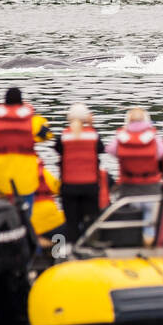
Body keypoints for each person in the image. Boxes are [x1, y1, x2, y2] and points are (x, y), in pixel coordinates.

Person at [0, 87, 52, 220]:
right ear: (22, 102)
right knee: (27, 211)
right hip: (25, 181)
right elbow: (47, 135)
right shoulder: (35, 122)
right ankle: (26, 229)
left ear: (4, 103)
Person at [104, 107, 163, 242]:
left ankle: (132, 245)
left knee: (130, 223)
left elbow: (110, 150)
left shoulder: (122, 137)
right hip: (151, 188)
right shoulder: (153, 138)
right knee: (150, 225)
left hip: (129, 189)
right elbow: (162, 153)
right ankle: (149, 245)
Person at [53, 103, 104, 242]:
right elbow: (100, 149)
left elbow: (58, 149)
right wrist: (91, 126)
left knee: (71, 223)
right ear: (86, 118)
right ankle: (90, 247)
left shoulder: (64, 136)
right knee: (90, 221)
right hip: (90, 186)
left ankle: (71, 249)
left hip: (69, 186)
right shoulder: (93, 135)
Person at [30, 160, 65, 239]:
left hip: (26, 227)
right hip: (51, 225)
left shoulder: (4, 175)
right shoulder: (40, 171)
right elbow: (58, 188)